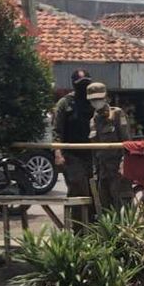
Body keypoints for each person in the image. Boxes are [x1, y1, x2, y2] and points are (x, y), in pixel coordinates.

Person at [51, 68, 95, 227]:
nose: (84, 87)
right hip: (72, 155)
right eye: (80, 84)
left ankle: (92, 228)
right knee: (78, 188)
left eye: (86, 84)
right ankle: (76, 229)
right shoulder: (64, 103)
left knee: (94, 191)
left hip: (92, 155)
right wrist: (58, 153)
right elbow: (56, 130)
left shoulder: (94, 101)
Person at [87, 81, 132, 213]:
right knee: (105, 207)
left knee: (122, 207)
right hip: (102, 171)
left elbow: (127, 142)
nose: (96, 102)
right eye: (93, 100)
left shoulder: (117, 114)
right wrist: (95, 172)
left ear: (105, 98)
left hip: (117, 169)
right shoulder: (93, 121)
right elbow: (94, 150)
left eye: (99, 99)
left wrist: (124, 165)